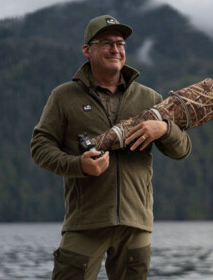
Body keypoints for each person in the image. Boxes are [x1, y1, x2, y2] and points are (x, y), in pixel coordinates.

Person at [31, 15, 191, 279]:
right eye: (107, 42)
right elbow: (39, 147)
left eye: (121, 43)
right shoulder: (63, 96)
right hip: (85, 223)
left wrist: (164, 129)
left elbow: (182, 149)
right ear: (87, 50)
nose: (116, 49)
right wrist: (78, 165)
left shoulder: (150, 99)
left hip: (136, 223)